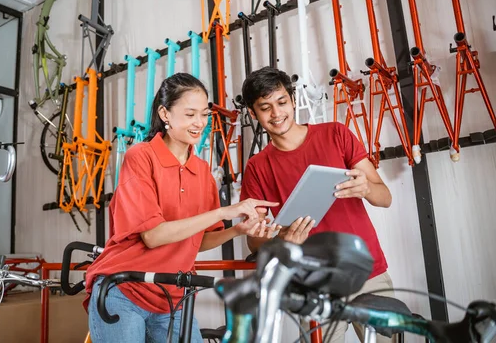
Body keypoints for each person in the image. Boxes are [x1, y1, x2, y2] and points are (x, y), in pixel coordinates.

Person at [84, 73, 280, 342]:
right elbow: (153, 236)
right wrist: (224, 212)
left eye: (203, 114)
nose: (199, 123)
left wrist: (236, 230)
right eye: (190, 114)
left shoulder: (202, 172)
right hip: (125, 291)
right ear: (165, 114)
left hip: (171, 297)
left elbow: (197, 241)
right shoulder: (140, 157)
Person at [239, 66, 396, 343]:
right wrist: (282, 238)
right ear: (253, 113)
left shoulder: (336, 134)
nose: (276, 114)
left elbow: (385, 197)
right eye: (265, 108)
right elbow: (253, 241)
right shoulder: (257, 167)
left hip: (366, 273)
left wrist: (367, 188)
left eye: (281, 102)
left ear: (293, 99)